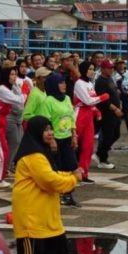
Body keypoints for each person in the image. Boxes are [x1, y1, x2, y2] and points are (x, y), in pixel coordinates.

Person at [12, 116, 82, 254]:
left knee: (58, 251)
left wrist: (69, 174)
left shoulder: (41, 152)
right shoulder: (32, 156)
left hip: (46, 213)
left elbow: (53, 174)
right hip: (31, 216)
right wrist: (73, 179)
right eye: (45, 130)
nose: (50, 133)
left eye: (51, 129)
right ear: (36, 132)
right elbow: (50, 181)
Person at [41, 73, 81, 205]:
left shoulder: (67, 98)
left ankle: (67, 194)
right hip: (56, 139)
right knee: (57, 168)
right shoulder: (48, 101)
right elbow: (46, 123)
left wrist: (74, 135)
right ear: (54, 85)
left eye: (64, 82)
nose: (64, 85)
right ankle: (58, 194)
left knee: (71, 166)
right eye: (61, 83)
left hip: (67, 138)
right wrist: (52, 140)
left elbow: (71, 118)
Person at [73, 61, 109, 183]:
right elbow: (88, 100)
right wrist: (103, 97)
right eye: (90, 69)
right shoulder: (79, 83)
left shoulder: (89, 83)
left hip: (88, 116)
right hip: (79, 115)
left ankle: (84, 173)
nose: (92, 71)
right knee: (73, 144)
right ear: (84, 69)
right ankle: (70, 170)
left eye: (93, 69)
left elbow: (92, 101)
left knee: (88, 146)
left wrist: (96, 111)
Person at [95, 59, 123, 170]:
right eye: (109, 68)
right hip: (107, 113)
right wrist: (115, 109)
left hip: (114, 112)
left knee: (116, 134)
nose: (111, 70)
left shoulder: (110, 79)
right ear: (102, 69)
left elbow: (114, 92)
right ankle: (102, 159)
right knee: (108, 135)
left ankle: (100, 153)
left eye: (112, 68)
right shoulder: (100, 81)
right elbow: (103, 100)